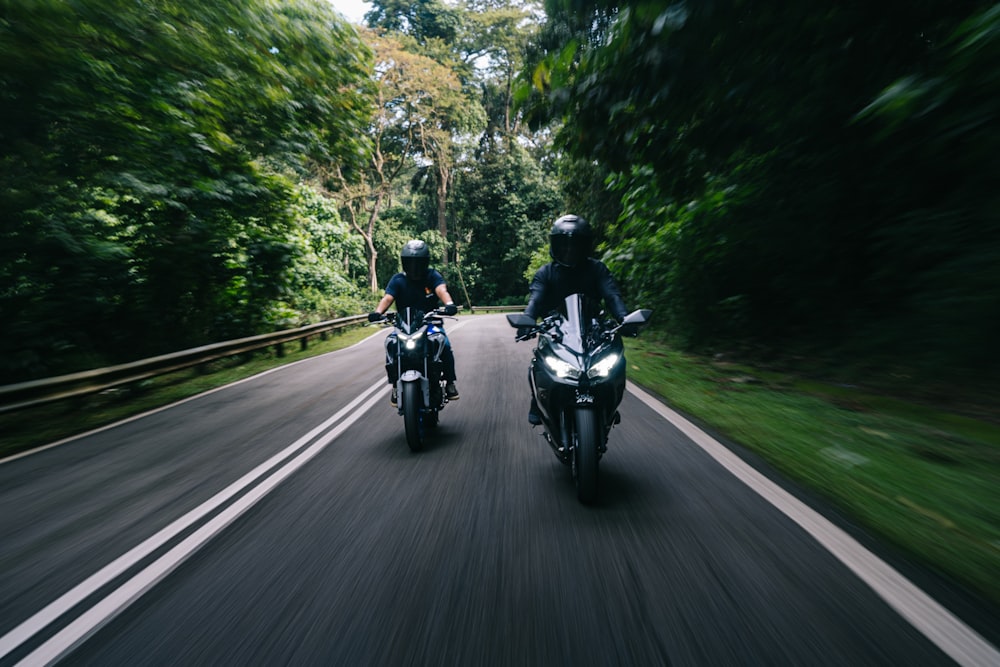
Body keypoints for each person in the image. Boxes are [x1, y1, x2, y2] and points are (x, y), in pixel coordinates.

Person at [521, 214, 630, 424]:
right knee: (537, 363)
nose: (569, 250)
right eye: (564, 245)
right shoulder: (545, 273)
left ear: (586, 247)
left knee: (615, 360)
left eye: (576, 245)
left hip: (594, 330)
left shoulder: (597, 269)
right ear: (555, 246)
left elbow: (612, 296)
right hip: (555, 332)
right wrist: (527, 321)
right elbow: (535, 301)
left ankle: (609, 401)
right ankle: (538, 400)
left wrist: (624, 318)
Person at [368, 239, 459, 406]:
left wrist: (449, 304)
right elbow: (388, 297)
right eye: (410, 262)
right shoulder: (398, 280)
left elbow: (441, 290)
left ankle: (450, 383)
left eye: (418, 262)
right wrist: (377, 312)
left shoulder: (432, 276)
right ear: (404, 262)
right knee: (391, 345)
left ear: (425, 262)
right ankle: (395, 385)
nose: (414, 266)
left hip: (431, 323)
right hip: (404, 325)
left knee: (444, 344)